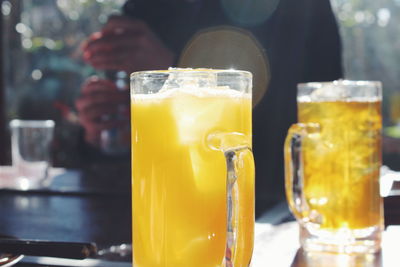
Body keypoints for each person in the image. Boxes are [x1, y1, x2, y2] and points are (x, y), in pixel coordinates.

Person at [76, 0, 343, 216]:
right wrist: (97, 130)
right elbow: (136, 146)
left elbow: (322, 121)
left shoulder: (303, 9)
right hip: (145, 214)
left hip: (267, 216)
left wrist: (176, 72)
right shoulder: (145, 8)